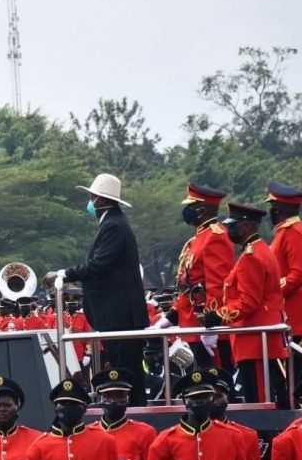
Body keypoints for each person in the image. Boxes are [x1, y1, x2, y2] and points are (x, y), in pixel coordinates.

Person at [44, 173, 149, 404]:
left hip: (120, 316)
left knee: (127, 375)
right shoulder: (113, 223)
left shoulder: (114, 226)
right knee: (124, 373)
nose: (90, 201)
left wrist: (63, 274)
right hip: (116, 315)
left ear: (100, 200)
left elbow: (98, 265)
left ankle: (136, 416)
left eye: (92, 197)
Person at [203, 202, 288, 404]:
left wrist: (217, 316)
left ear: (249, 226)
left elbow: (248, 301)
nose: (229, 230)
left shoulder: (252, 257)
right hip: (259, 336)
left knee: (258, 397)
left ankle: (264, 434)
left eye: (234, 225)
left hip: (255, 338)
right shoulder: (258, 250)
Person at [156, 182, 235, 368]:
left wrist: (211, 324)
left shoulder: (216, 237)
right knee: (198, 382)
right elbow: (186, 284)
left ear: (203, 209)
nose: (187, 210)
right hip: (191, 321)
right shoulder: (197, 238)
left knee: (216, 380)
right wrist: (171, 316)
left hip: (205, 325)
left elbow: (217, 285)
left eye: (191, 206)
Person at [266, 181, 302, 343]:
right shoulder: (284, 231)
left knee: (293, 365)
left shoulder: (294, 232)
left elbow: (300, 273)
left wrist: (271, 291)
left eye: (272, 205)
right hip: (285, 307)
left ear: (279, 208)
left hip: (294, 309)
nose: (270, 210)